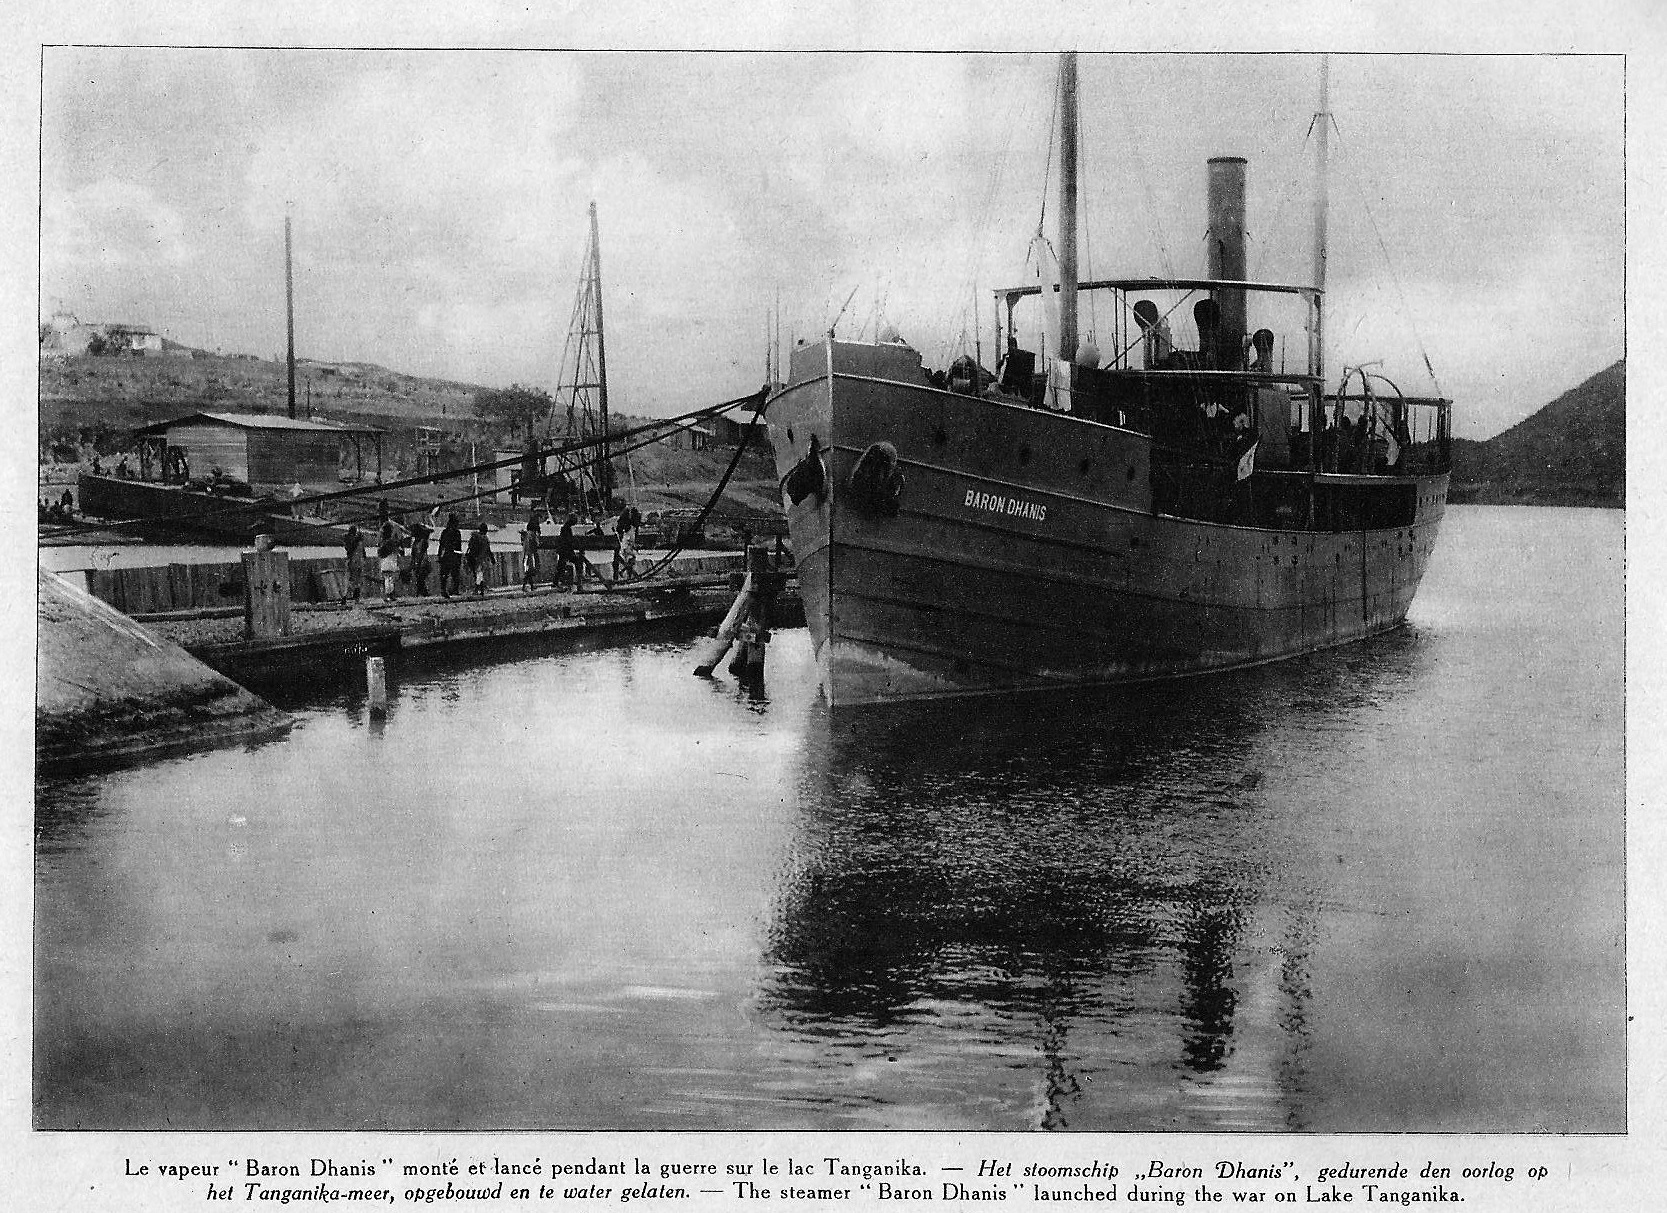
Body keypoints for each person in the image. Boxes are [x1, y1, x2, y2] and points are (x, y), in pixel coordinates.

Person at [377, 517, 406, 602]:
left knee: (387, 579)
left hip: (384, 561)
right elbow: (399, 550)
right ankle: (390, 595)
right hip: (391, 561)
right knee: (390, 579)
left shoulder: (382, 542)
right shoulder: (392, 542)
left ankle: (388, 595)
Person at [555, 512, 585, 592]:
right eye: (575, 519)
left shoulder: (566, 527)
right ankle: (579, 584)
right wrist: (575, 541)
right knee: (578, 563)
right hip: (566, 550)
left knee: (560, 566)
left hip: (564, 550)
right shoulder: (567, 528)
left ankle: (556, 582)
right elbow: (568, 541)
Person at [406, 511, 433, 596]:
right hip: (422, 562)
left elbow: (417, 554)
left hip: (420, 562)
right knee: (420, 579)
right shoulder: (422, 541)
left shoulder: (418, 542)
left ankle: (421, 593)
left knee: (420, 578)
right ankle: (422, 593)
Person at [438, 513, 463, 597]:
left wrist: (439, 555)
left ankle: (444, 590)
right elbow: (458, 546)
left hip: (446, 555)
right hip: (454, 555)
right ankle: (454, 590)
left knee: (445, 574)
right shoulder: (457, 532)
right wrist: (459, 556)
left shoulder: (445, 532)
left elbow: (441, 545)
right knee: (455, 574)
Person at [466, 522, 492, 596]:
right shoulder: (485, 538)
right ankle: (479, 589)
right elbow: (488, 549)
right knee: (480, 574)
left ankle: (480, 589)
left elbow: (469, 547)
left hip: (473, 557)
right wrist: (492, 558)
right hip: (481, 559)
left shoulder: (474, 537)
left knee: (477, 574)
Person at [342, 524, 365, 604]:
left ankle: (346, 597)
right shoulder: (353, 540)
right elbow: (351, 549)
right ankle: (355, 598)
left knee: (352, 580)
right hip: (356, 561)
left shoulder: (349, 539)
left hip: (354, 561)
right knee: (356, 580)